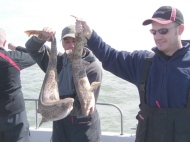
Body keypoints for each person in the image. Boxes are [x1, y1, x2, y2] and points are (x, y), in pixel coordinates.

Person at [74, 6, 190, 142]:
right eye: (154, 31)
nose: (158, 37)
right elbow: (111, 57)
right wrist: (90, 35)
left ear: (180, 29)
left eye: (163, 31)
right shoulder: (143, 62)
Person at [25, 25, 103, 142]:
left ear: (83, 43)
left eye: (75, 41)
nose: (71, 45)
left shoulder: (93, 68)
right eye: (67, 41)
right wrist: (42, 37)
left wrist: (51, 111)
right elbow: (32, 49)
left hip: (83, 125)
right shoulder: (56, 61)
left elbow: (83, 107)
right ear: (62, 43)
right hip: (60, 123)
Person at [0, 28, 36, 142]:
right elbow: (34, 56)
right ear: (5, 42)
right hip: (14, 116)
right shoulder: (12, 58)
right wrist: (16, 47)